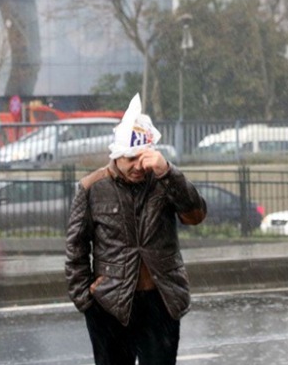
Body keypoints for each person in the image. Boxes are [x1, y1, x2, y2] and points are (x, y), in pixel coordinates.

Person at [65, 94, 207, 365]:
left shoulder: (164, 180)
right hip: (110, 303)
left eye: (142, 157)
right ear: (117, 155)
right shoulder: (92, 187)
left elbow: (195, 215)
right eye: (130, 158)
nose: (137, 166)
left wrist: (168, 172)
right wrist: (86, 301)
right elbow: (76, 249)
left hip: (161, 300)